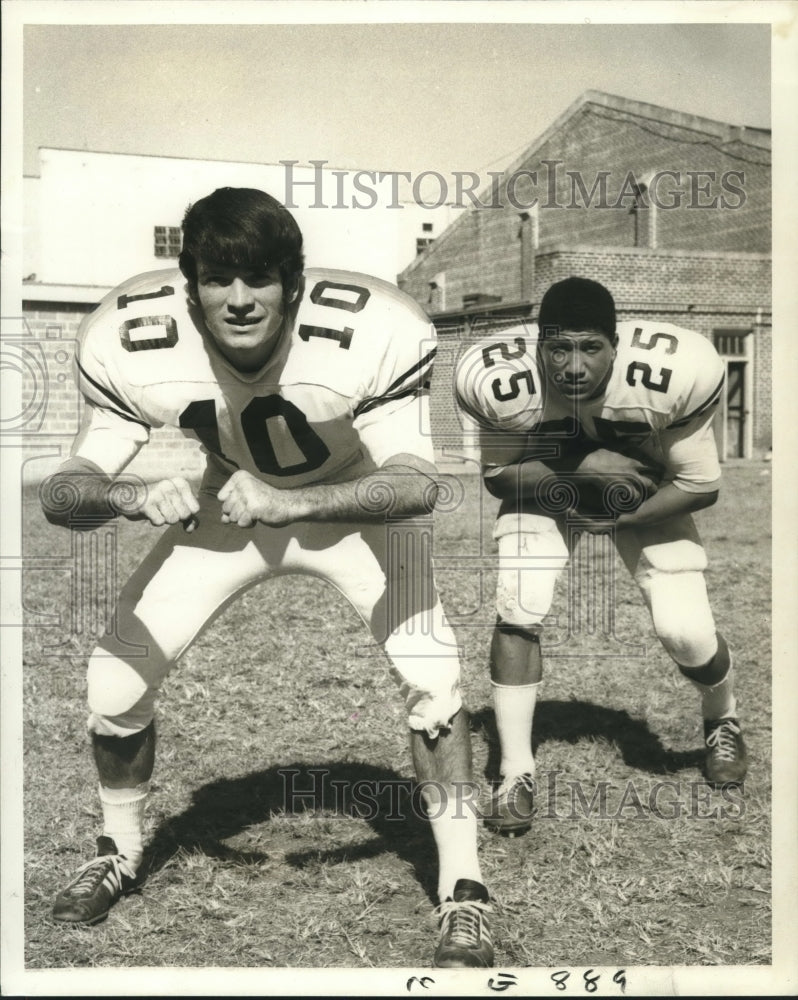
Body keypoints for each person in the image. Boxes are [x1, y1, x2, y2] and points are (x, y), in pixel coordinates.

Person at [40, 187, 493, 967]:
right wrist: (129, 493)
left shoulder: (368, 331)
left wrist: (299, 502)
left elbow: (417, 484)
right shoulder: (134, 340)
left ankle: (464, 888)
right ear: (190, 287)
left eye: (260, 279)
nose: (240, 300)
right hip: (233, 506)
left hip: (353, 505)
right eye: (218, 279)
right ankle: (117, 849)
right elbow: (62, 492)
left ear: (295, 281)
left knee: (435, 680)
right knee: (114, 683)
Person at [454, 275, 747, 835]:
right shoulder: (499, 379)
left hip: (644, 496)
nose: (573, 366)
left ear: (616, 345)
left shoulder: (673, 375)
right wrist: (582, 466)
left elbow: (700, 485)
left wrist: (618, 517)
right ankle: (515, 773)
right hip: (543, 488)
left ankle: (723, 714)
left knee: (685, 631)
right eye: (558, 348)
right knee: (519, 604)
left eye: (590, 348)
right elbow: (500, 478)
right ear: (538, 346)